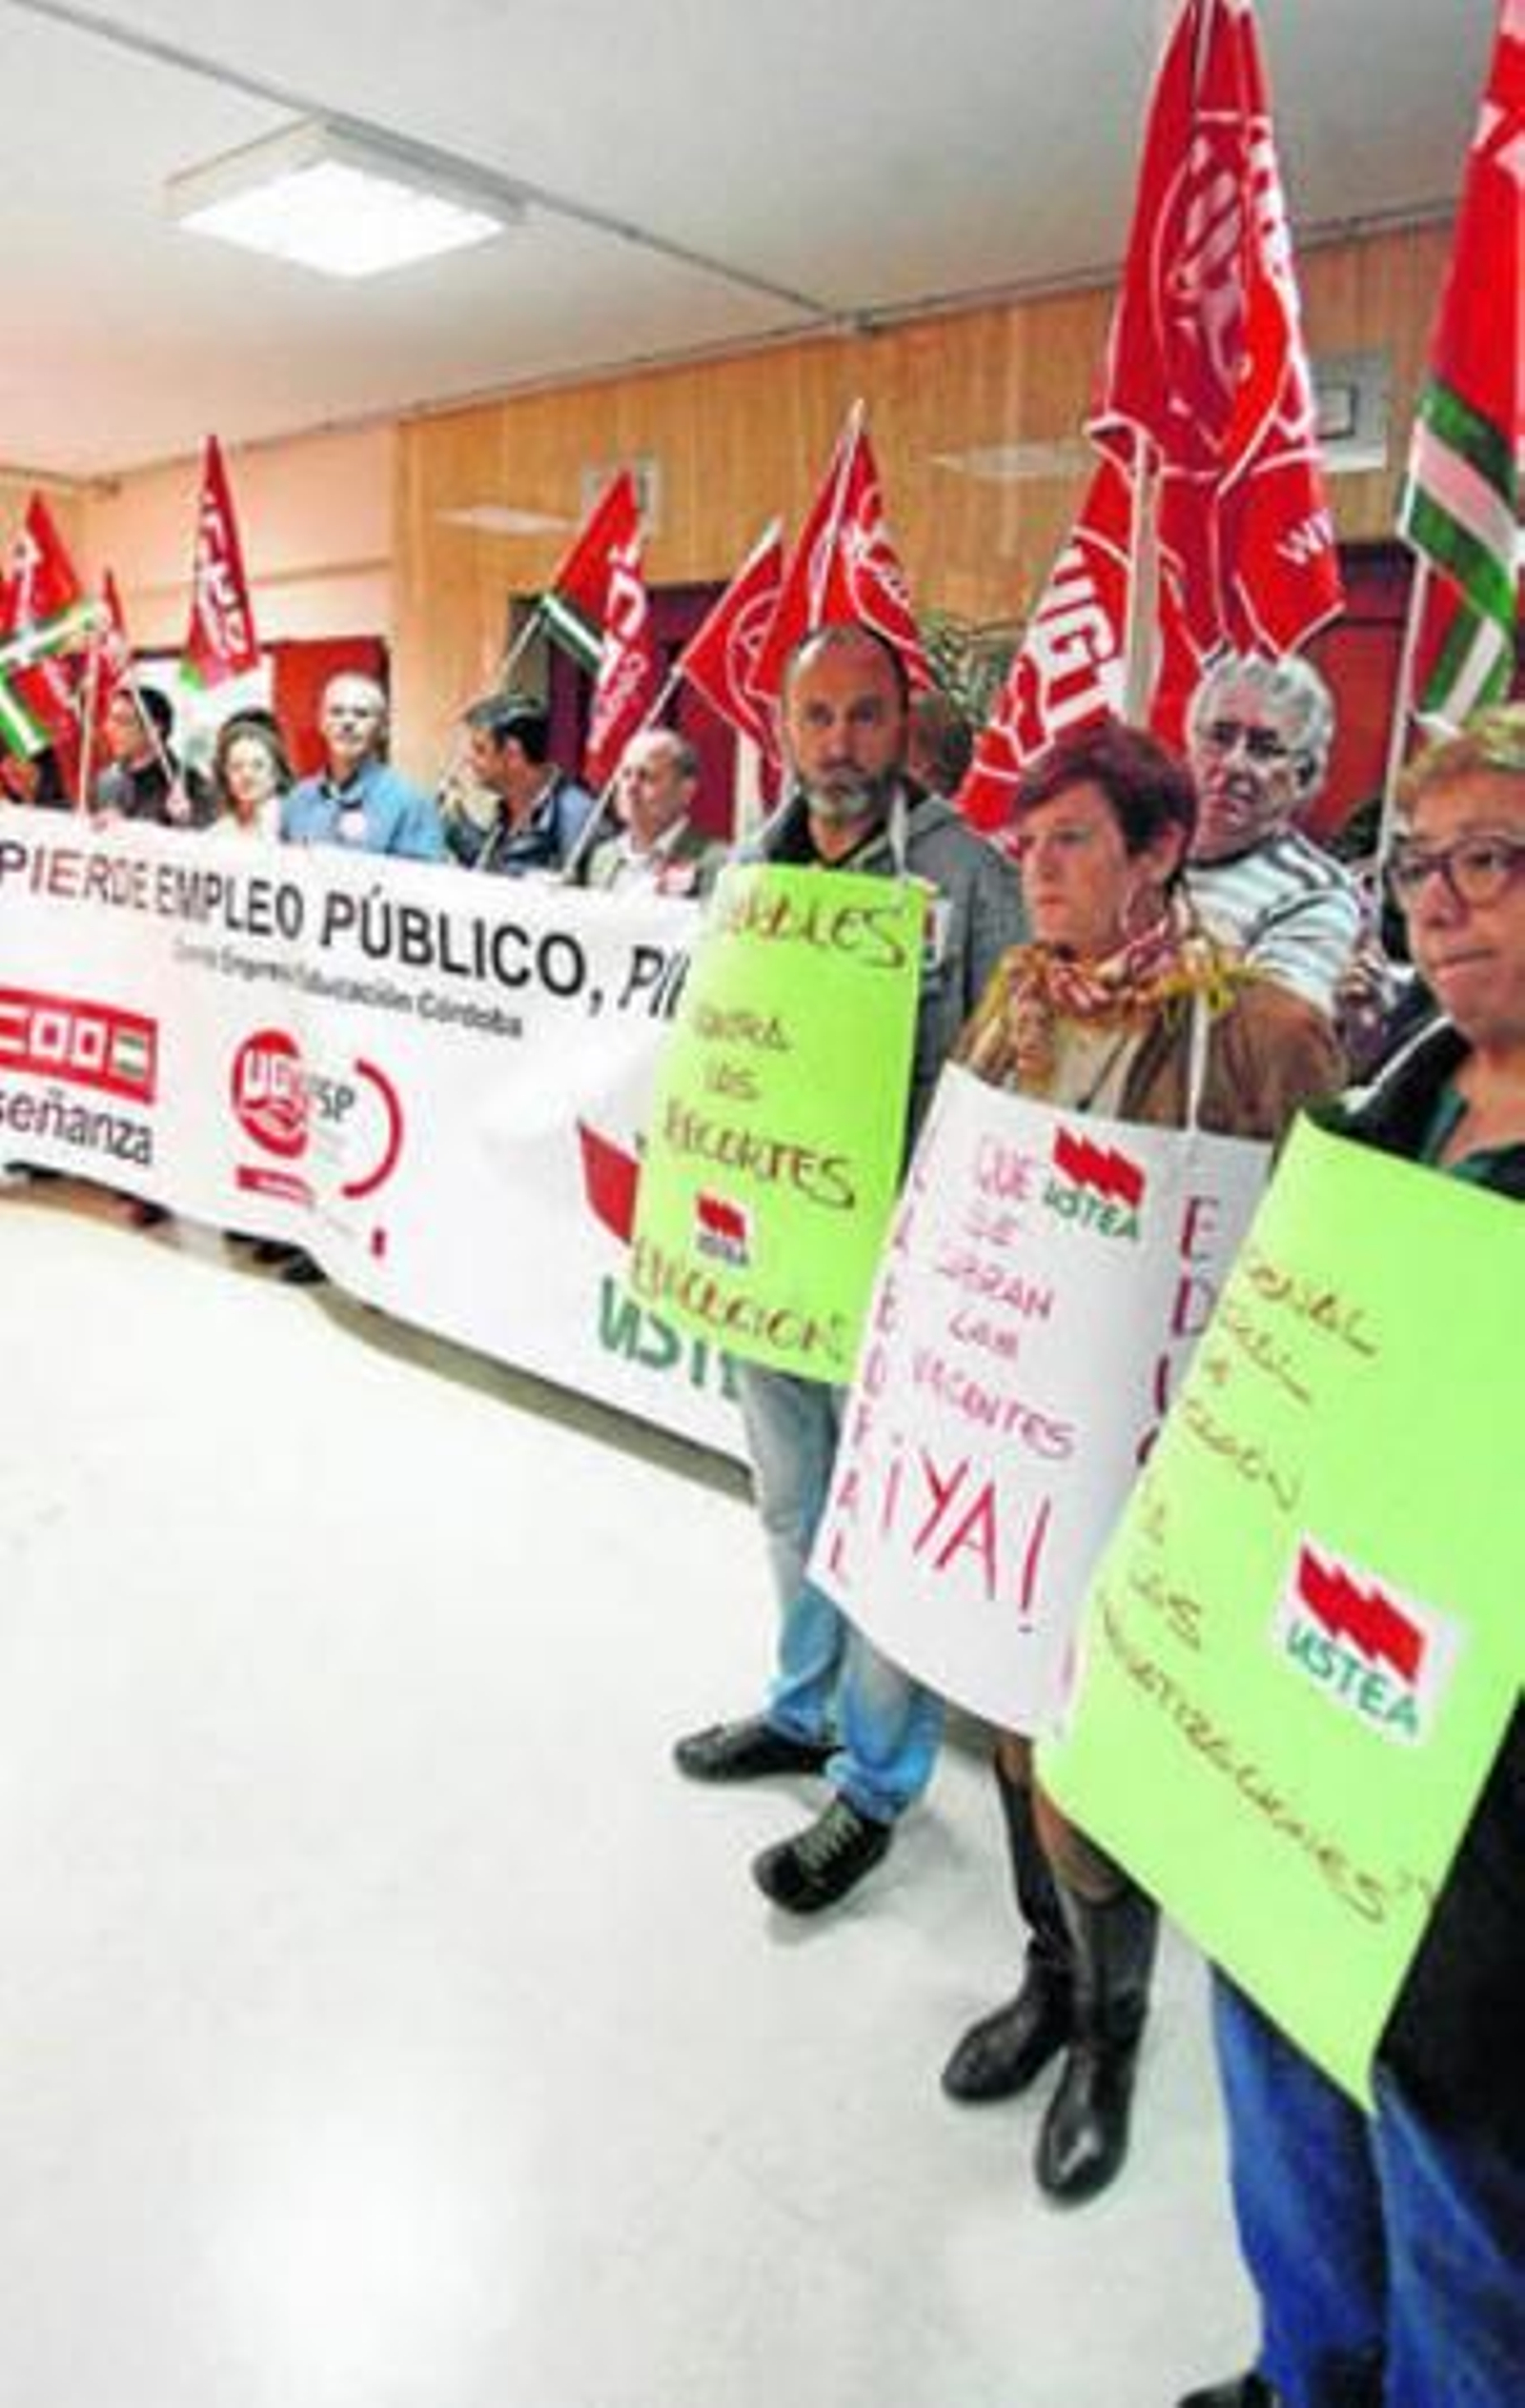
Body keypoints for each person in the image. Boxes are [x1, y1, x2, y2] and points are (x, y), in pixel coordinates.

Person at [944, 719, 1340, 2206]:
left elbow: (1316, 1277)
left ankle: (1111, 2032)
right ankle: (1049, 1974)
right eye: (1026, 845)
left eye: (1073, 843)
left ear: (1158, 851)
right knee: (1011, 1727)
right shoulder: (1016, 1003)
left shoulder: (1260, 1034)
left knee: (1096, 1767)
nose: (1039, 873)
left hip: (1165, 1465)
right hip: (1009, 1442)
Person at [1182, 704, 1525, 2408]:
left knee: (1463, 2175)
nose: (1444, 903)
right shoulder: (1388, 1104)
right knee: (1282, 2069)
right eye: (1419, 869)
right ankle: (1306, 2367)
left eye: (1493, 860)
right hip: (1302, 1714)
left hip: (1490, 1804)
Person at [673, 621, 1024, 1912]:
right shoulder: (746, 871)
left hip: (907, 1272)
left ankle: (876, 1780)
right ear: (781, 726)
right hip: (773, 1252)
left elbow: (1012, 1076)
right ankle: (802, 1706)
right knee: (789, 1500)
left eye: (865, 715)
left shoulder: (971, 877)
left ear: (902, 720)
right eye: (816, 716)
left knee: (884, 1535)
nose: (840, 743)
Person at [1186, 653, 1362, 1018]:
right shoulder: (1135, 849)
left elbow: (1267, 1033)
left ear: (1304, 775)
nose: (1233, 763)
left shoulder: (1319, 893)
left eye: (1264, 749)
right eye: (1220, 736)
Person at [281, 673, 443, 860]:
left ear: (383, 728)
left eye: (361, 714)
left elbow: (423, 882)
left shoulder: (411, 804)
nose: (348, 722)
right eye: (336, 712)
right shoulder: (297, 800)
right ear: (321, 723)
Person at [446, 693, 595, 876]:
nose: (468, 759)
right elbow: (498, 868)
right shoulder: (506, 810)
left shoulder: (580, 819)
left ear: (512, 755)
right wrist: (454, 822)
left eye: (480, 749)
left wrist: (459, 829)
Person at [581, 727, 725, 897]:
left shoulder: (716, 862)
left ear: (686, 790)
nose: (631, 787)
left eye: (646, 776)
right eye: (626, 774)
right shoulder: (603, 857)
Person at [92, 685, 205, 826]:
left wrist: (185, 820)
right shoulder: (106, 779)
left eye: (122, 721)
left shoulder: (188, 783)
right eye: (109, 720)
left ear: (155, 729)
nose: (109, 728)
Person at [209, 715, 291, 838]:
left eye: (258, 766)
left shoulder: (295, 824)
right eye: (236, 766)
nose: (247, 775)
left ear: (276, 773)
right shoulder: (217, 833)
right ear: (224, 775)